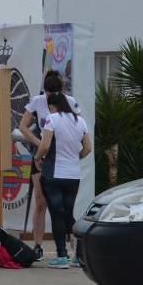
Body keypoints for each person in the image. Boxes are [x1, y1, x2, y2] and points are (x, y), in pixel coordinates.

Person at [19, 70, 81, 261]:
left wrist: (75, 153)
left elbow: (79, 126)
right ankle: (38, 245)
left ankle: (73, 247)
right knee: (41, 201)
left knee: (64, 207)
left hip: (62, 159)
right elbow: (22, 126)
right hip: (42, 155)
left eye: (53, 93)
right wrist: (39, 145)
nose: (49, 97)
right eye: (47, 93)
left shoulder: (70, 102)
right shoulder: (37, 101)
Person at [33, 92, 92, 269]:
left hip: (53, 173)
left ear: (52, 106)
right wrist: (75, 157)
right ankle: (79, 255)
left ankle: (62, 255)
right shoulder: (80, 121)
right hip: (73, 175)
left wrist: (37, 157)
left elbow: (44, 145)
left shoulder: (52, 119)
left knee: (56, 213)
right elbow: (88, 148)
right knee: (68, 213)